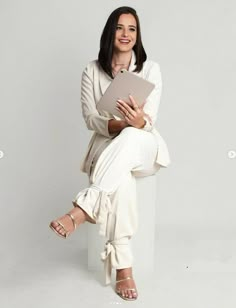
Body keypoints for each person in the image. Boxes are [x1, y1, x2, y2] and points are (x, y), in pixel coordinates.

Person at [49, 6, 171, 301]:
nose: (126, 34)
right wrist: (118, 122)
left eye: (132, 29)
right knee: (122, 182)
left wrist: (137, 121)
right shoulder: (91, 70)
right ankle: (124, 270)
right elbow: (90, 118)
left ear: (137, 35)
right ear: (110, 32)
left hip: (144, 145)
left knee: (132, 135)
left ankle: (82, 210)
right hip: (108, 148)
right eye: (120, 27)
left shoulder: (150, 68)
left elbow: (149, 119)